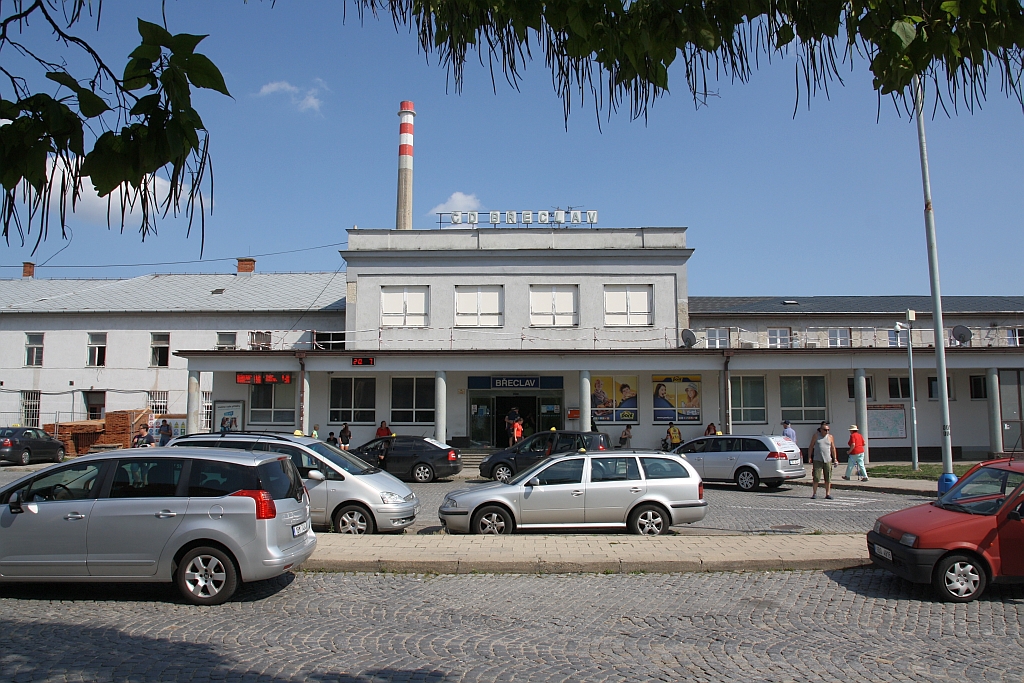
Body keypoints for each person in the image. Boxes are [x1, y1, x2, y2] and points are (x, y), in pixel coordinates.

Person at [807, 421, 839, 499]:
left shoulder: (830, 437)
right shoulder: (816, 436)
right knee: (816, 477)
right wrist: (809, 457)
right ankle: (814, 493)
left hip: (827, 459)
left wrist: (835, 458)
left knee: (828, 477)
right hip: (817, 459)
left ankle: (827, 494)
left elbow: (832, 448)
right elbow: (811, 446)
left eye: (828, 430)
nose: (827, 431)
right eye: (825, 430)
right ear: (821, 429)